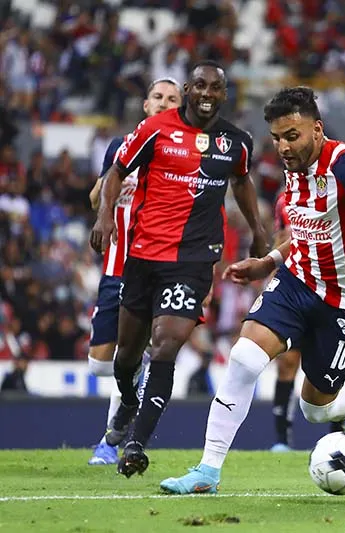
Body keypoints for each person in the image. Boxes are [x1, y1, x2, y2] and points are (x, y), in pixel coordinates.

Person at [160, 86, 345, 494]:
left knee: (316, 409)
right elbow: (306, 234)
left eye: (292, 136)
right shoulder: (293, 168)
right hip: (297, 282)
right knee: (245, 358)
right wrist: (268, 262)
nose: (284, 146)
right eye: (277, 137)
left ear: (317, 129)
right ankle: (207, 472)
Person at [89, 60, 268, 477]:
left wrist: (258, 231)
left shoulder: (235, 142)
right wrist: (104, 217)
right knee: (124, 358)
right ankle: (128, 402)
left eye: (216, 88)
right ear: (189, 89)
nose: (207, 94)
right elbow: (117, 169)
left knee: (166, 344)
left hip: (192, 261)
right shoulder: (154, 130)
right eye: (200, 86)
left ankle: (136, 443)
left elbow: (241, 182)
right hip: (144, 256)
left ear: (224, 95)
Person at [85, 77, 183, 466]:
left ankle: (111, 442)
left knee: (131, 350)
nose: (163, 103)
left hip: (154, 266)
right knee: (99, 364)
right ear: (145, 105)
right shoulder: (121, 146)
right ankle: (134, 379)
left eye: (171, 99)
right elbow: (96, 199)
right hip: (115, 266)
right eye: (157, 97)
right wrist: (107, 190)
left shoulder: (181, 153)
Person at [267, 189, 344, 452]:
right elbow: (280, 237)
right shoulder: (284, 200)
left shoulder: (337, 192)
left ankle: (338, 433)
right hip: (294, 289)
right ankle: (281, 439)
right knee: (287, 362)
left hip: (330, 291)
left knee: (327, 370)